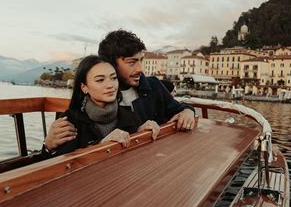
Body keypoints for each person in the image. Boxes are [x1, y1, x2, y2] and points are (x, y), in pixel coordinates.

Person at [44, 29, 195, 153]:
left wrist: (188, 111)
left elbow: (179, 108)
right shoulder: (82, 114)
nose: (140, 69)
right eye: (132, 62)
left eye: (141, 60)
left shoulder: (153, 86)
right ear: (111, 64)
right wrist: (48, 145)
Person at [42, 55, 144, 157]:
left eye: (113, 78)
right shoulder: (70, 122)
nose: (110, 85)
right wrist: (47, 146)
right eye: (100, 80)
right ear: (84, 87)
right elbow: (63, 166)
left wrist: (143, 134)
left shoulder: (130, 116)